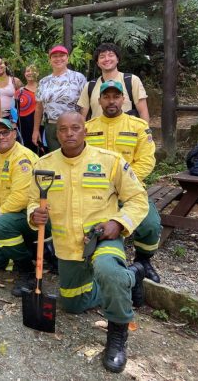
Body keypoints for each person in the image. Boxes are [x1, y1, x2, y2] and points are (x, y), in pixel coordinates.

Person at [28, 111, 149, 374]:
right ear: (56, 134)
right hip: (67, 247)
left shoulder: (110, 161)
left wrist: (118, 223)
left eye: (75, 128)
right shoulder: (44, 165)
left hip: (102, 239)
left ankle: (117, 334)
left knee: (108, 270)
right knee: (72, 304)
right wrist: (33, 213)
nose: (69, 133)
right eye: (63, 129)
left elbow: (138, 199)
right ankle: (132, 276)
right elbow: (32, 200)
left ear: (85, 130)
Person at [85, 81, 161, 282]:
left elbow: (146, 160)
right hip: (96, 189)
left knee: (150, 224)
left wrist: (123, 183)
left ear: (123, 99)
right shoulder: (87, 128)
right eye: (107, 97)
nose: (111, 101)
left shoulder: (138, 127)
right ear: (99, 100)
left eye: (116, 97)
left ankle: (143, 261)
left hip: (130, 189)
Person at [0, 119, 43, 296]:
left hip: (32, 216)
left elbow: (21, 197)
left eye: (5, 132)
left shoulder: (23, 158)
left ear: (14, 133)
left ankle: (27, 270)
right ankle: (26, 247)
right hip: (9, 217)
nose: (1, 136)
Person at [32, 45, 87, 152]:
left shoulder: (78, 77)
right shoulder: (44, 81)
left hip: (72, 126)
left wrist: (81, 123)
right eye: (55, 56)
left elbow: (84, 104)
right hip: (51, 126)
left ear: (67, 58)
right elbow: (39, 108)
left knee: (73, 155)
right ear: (50, 60)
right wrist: (35, 130)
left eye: (62, 55)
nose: (58, 59)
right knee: (55, 158)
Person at [78, 42, 150, 122]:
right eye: (102, 57)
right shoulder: (89, 86)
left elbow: (143, 111)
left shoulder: (131, 80)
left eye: (111, 55)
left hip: (125, 132)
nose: (107, 59)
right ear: (98, 63)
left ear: (117, 59)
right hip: (98, 133)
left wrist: (147, 132)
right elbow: (82, 116)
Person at [16, 64, 41, 154]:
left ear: (37, 73)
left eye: (33, 70)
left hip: (42, 126)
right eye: (27, 71)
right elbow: (14, 111)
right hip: (25, 127)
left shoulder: (43, 88)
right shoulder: (20, 92)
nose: (30, 73)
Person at [0, 56, 22, 121]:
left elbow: (24, 100)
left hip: (13, 119)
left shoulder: (15, 81)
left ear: (5, 65)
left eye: (0, 63)